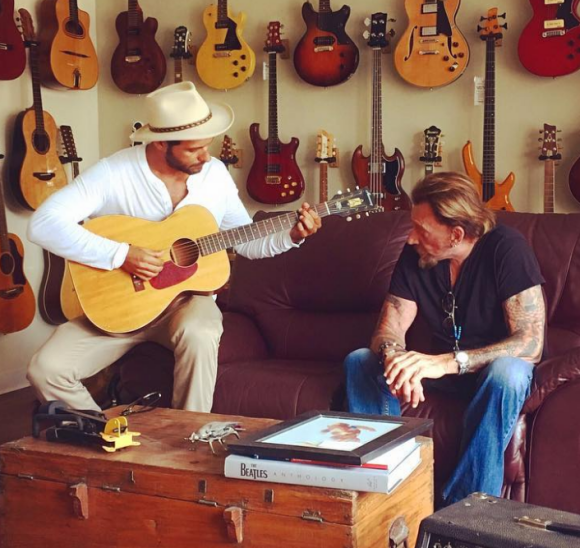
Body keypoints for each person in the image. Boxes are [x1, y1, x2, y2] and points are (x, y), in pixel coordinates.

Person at [27, 81, 321, 413]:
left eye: (206, 145)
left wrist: (292, 235)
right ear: (160, 144)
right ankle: (105, 435)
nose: (205, 156)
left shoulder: (214, 175)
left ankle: (187, 439)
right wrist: (122, 255)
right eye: (194, 149)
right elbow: (43, 223)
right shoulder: (114, 173)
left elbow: (245, 239)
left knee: (200, 332)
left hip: (187, 301)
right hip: (121, 305)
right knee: (45, 369)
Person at [344, 172, 546, 506]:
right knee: (361, 360)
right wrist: (396, 358)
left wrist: (445, 363)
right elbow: (388, 329)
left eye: (421, 230)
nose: (410, 238)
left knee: (509, 373)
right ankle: (389, 489)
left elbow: (530, 342)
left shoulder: (507, 249)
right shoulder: (416, 256)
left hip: (487, 374)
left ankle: (466, 511)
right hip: (436, 372)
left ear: (455, 234)